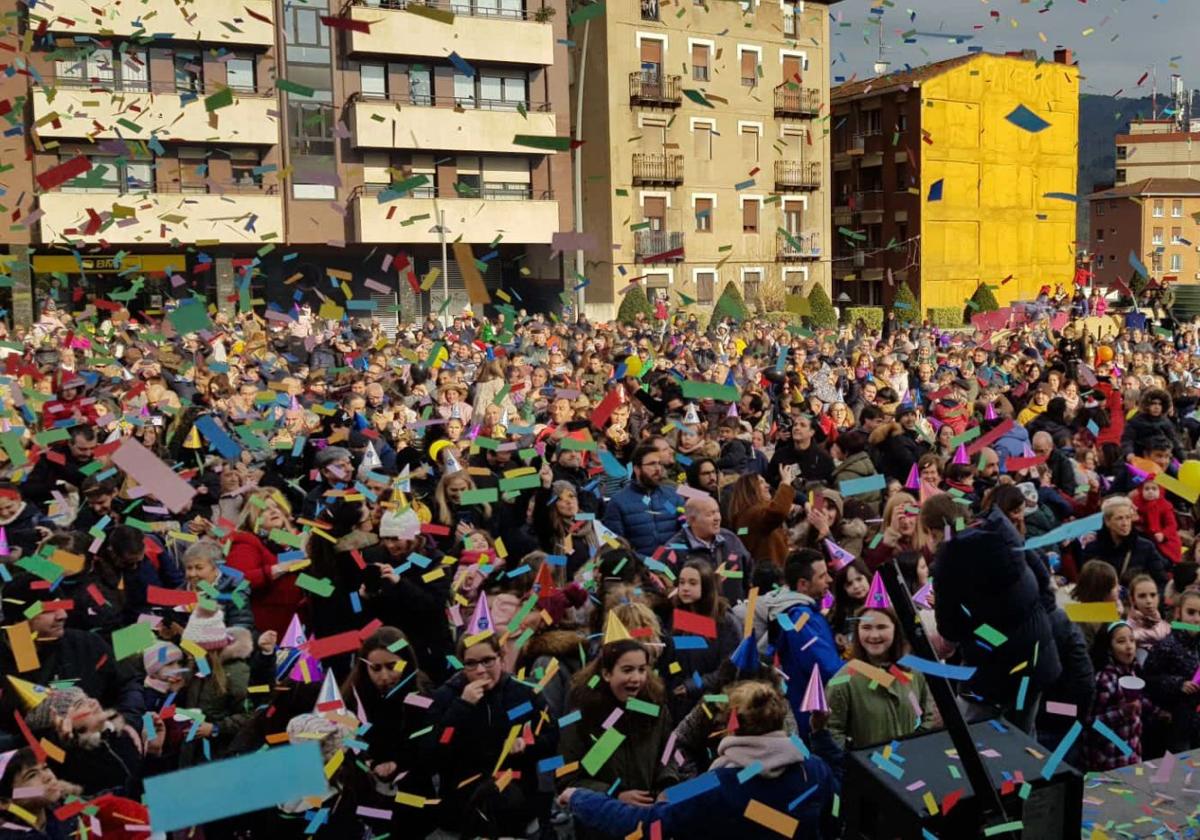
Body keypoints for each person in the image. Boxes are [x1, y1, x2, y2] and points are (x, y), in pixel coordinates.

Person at [559, 680, 839, 840]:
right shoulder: (814, 768)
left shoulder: (716, 785)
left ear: (731, 726)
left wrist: (580, 798)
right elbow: (832, 817)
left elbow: (645, 825)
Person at [429, 634, 557, 837]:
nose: (481, 671)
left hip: (517, 806)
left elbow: (552, 740)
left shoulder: (524, 692)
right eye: (471, 664)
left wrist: (527, 743)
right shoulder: (446, 696)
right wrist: (462, 706)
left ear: (501, 657)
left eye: (488, 661)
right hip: (462, 810)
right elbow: (436, 750)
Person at [558, 640, 680, 840]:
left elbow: (669, 755)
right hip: (600, 826)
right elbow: (568, 778)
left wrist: (666, 787)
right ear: (607, 674)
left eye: (642, 669)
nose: (637, 678)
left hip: (647, 820)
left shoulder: (656, 709)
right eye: (627, 670)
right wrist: (615, 794)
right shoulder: (581, 716)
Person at [823, 606, 938, 749]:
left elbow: (927, 716)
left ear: (895, 630)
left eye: (881, 627)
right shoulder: (842, 681)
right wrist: (859, 761)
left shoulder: (913, 672)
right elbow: (832, 730)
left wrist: (914, 747)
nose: (874, 635)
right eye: (866, 627)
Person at [773, 550, 841, 733]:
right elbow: (826, 667)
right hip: (810, 717)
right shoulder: (801, 618)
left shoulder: (806, 612)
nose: (829, 580)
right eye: (822, 576)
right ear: (803, 584)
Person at [225, 488, 305, 637]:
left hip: (300, 621)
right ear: (254, 517)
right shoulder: (247, 541)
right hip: (268, 625)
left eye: (276, 507)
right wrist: (278, 569)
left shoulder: (294, 538)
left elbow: (300, 578)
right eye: (265, 510)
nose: (274, 512)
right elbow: (238, 579)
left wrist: (321, 588)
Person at [601, 442, 684, 558]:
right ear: (637, 469)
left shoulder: (672, 497)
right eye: (652, 464)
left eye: (659, 464)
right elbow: (616, 545)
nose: (658, 468)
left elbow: (686, 533)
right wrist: (645, 564)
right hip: (640, 570)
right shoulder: (618, 502)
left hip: (674, 566)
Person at [1085, 620, 1149, 771]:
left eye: (1132, 640)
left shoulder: (1133, 671)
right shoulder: (1105, 680)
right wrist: (1121, 713)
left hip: (1132, 757)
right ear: (1109, 648)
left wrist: (1159, 711)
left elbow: (1140, 702)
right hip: (1109, 761)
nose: (1129, 646)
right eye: (1121, 641)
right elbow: (1090, 723)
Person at [664, 495, 752, 602]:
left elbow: (750, 574)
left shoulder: (731, 539)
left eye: (717, 512)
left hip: (736, 614)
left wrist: (748, 611)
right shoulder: (672, 550)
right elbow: (667, 591)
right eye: (709, 514)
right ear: (691, 520)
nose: (717, 518)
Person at [1144, 587, 1200, 752]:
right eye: (1191, 612)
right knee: (1170, 772)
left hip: (1195, 723)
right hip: (1172, 725)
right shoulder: (1166, 646)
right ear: (1178, 613)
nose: (1196, 619)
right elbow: (1147, 680)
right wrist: (1178, 684)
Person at [1081, 496, 1170, 588]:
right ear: (1107, 521)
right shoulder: (1093, 549)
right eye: (1119, 518)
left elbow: (1161, 583)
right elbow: (1087, 584)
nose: (1125, 523)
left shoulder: (1145, 547)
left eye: (1128, 518)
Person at [724, 468, 796, 570]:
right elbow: (778, 512)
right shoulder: (752, 514)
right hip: (770, 577)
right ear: (750, 489)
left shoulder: (747, 516)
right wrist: (785, 483)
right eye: (761, 482)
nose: (768, 486)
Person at [1127, 573, 1171, 661]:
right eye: (1142, 596)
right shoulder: (1127, 628)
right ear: (1132, 600)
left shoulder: (1166, 623)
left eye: (1153, 595)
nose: (1149, 601)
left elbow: (1193, 628)